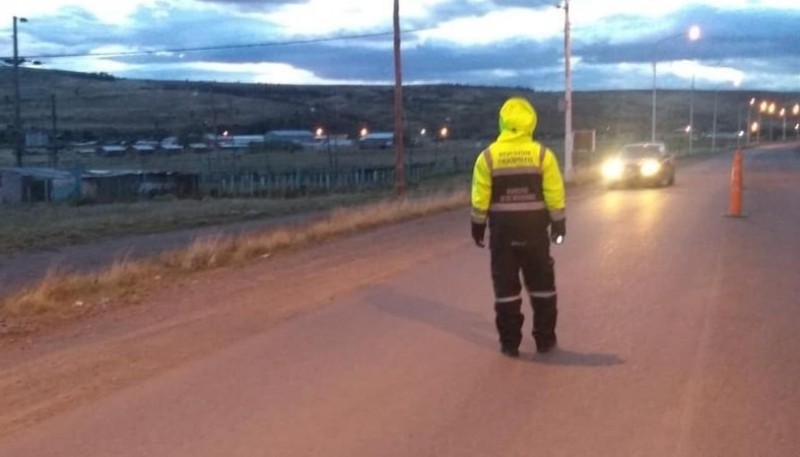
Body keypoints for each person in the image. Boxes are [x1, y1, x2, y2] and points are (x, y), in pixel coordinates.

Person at [470, 96, 566, 357]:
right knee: (543, 288)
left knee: (506, 291)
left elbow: (480, 197)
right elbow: (554, 192)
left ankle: (510, 343)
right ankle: (545, 340)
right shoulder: (542, 155)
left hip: (503, 236)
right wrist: (559, 224)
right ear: (531, 122)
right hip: (535, 234)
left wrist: (477, 226)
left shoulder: (488, 157)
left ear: (502, 122)